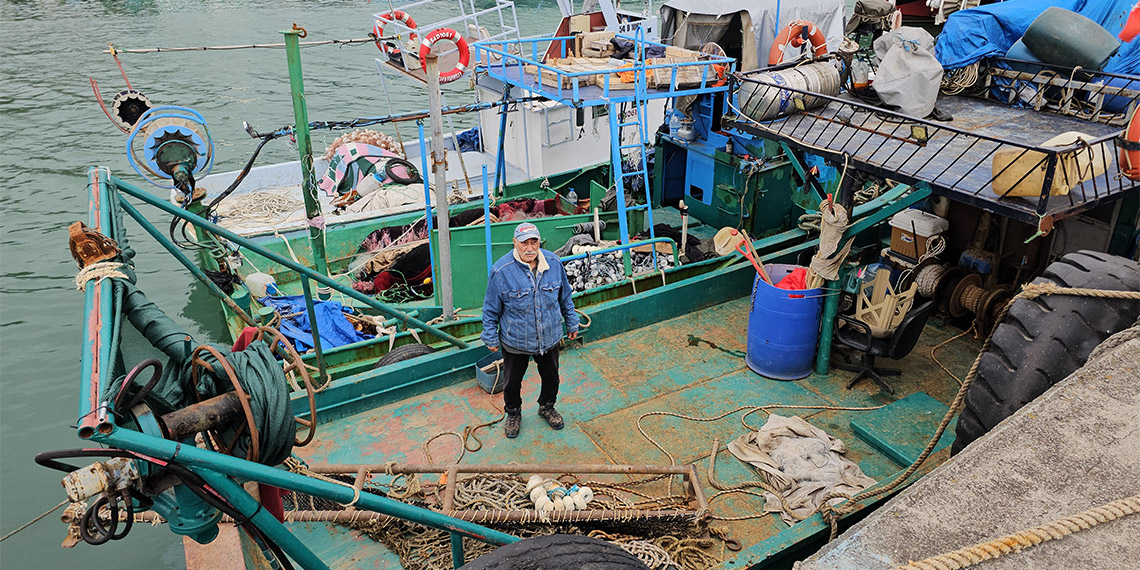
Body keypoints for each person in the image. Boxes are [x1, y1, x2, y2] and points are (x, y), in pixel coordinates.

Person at [481, 222, 579, 438]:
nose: (529, 248)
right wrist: (489, 335)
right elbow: (490, 308)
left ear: (539, 242)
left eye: (534, 242)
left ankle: (547, 406)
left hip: (549, 336)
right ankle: (513, 413)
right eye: (524, 243)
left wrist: (572, 321)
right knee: (512, 382)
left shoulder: (554, 263)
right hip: (515, 340)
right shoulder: (500, 271)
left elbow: (565, 297)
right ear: (515, 243)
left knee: (551, 376)